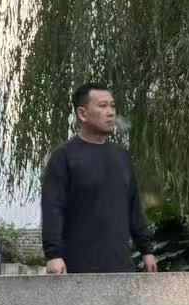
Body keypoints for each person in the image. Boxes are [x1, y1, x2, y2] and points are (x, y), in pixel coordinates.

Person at [40, 84, 158, 275]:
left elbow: (134, 206)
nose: (110, 112)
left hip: (120, 265)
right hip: (77, 266)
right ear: (83, 113)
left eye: (112, 106)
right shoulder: (64, 157)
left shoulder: (122, 156)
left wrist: (146, 250)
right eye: (103, 106)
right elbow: (53, 208)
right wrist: (53, 254)